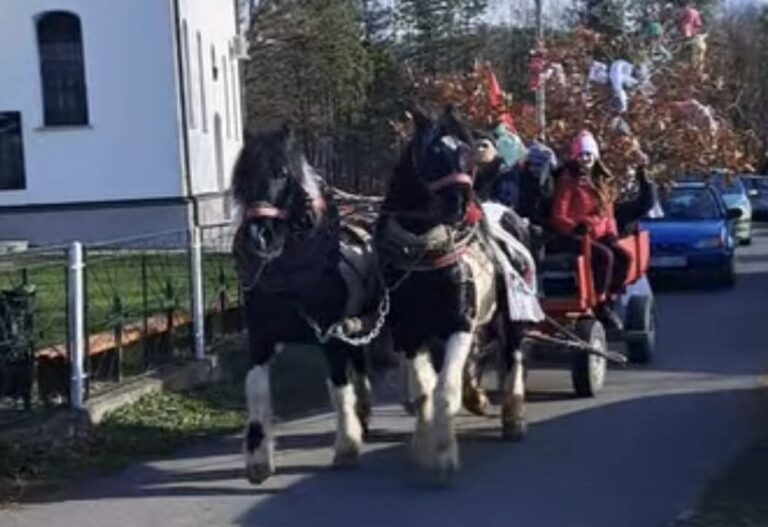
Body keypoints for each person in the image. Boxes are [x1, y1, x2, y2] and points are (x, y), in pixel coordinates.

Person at [550, 131, 630, 330]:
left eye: (588, 154)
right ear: (575, 157)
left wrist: (612, 233)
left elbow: (608, 212)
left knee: (624, 257)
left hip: (600, 233)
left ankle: (610, 296)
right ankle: (599, 302)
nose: (585, 159)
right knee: (604, 256)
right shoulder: (569, 180)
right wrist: (575, 226)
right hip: (575, 235)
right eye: (581, 155)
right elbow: (559, 215)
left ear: (595, 156)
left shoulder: (602, 180)